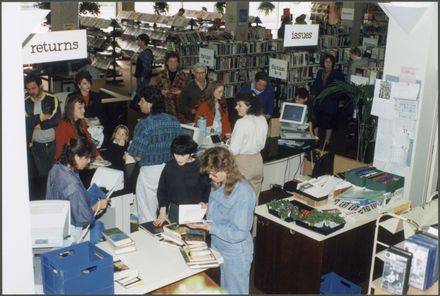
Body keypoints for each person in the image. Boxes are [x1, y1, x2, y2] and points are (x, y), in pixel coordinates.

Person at [188, 147, 255, 294]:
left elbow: (239, 233)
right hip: (218, 245)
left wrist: (209, 228)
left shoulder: (243, 193)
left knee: (235, 291)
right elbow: (222, 210)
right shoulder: (218, 183)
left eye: (213, 173)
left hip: (236, 252)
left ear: (225, 168)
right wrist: (207, 208)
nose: (210, 177)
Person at [128, 86, 182, 223]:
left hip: (150, 173)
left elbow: (137, 155)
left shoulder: (144, 125)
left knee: (147, 214)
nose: (139, 103)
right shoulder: (174, 121)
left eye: (141, 100)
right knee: (166, 213)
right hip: (171, 170)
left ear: (150, 103)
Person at [46, 137, 109, 243]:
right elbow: (82, 218)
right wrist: (97, 206)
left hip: (57, 222)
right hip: (72, 231)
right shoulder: (72, 185)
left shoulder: (56, 168)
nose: (89, 161)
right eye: (87, 157)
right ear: (76, 156)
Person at [153, 135, 210, 226]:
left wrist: (204, 202)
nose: (178, 158)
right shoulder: (170, 166)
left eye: (183, 155)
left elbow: (207, 189)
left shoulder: (200, 168)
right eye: (176, 154)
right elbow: (162, 190)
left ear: (191, 153)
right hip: (174, 211)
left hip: (194, 211)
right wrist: (162, 212)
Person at [24, 74, 61, 176]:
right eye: (28, 89)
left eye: (33, 88)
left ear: (40, 86)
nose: (31, 92)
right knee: (43, 177)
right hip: (36, 145)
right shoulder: (25, 103)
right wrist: (41, 117)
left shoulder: (52, 99)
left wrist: (38, 125)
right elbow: (25, 123)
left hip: (53, 144)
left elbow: (56, 119)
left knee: (56, 175)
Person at [55, 93, 102, 161]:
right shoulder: (63, 126)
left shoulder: (82, 122)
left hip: (82, 160)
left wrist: (97, 154)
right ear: (71, 109)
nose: (84, 110)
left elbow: (89, 141)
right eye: (80, 108)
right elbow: (63, 152)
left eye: (83, 107)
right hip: (69, 163)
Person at [311, 53, 345, 147]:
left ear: (333, 63)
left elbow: (341, 88)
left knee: (329, 123)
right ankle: (316, 138)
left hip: (330, 102)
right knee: (316, 121)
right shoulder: (319, 72)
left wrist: (335, 97)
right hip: (319, 101)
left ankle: (327, 140)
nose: (328, 63)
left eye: (330, 62)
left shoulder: (338, 74)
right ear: (323, 62)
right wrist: (313, 92)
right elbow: (315, 85)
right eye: (326, 61)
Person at [150, 52, 188, 119]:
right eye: (170, 61)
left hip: (178, 108)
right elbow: (154, 90)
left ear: (178, 63)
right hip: (164, 108)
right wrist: (161, 92)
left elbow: (187, 91)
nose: (173, 64)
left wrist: (181, 92)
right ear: (167, 63)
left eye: (175, 61)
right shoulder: (161, 75)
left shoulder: (183, 75)